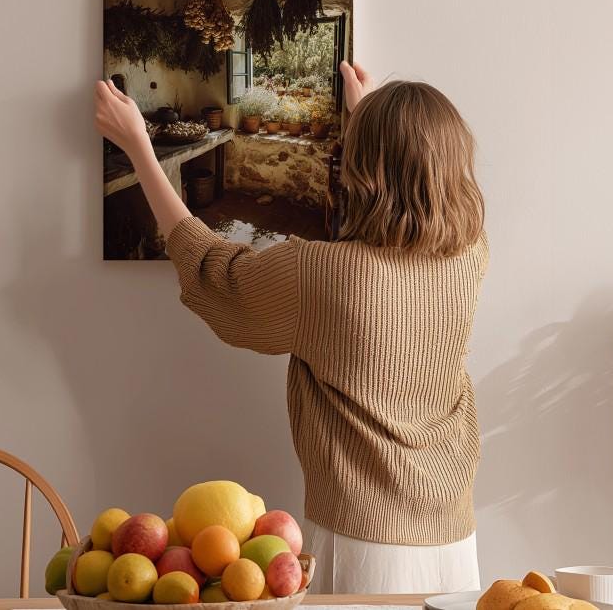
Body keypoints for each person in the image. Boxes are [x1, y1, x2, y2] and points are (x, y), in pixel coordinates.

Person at [94, 62, 488, 594]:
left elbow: (213, 269)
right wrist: (370, 118)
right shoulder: (471, 255)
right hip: (455, 538)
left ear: (362, 166)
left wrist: (139, 145)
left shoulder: (321, 273)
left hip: (363, 541)